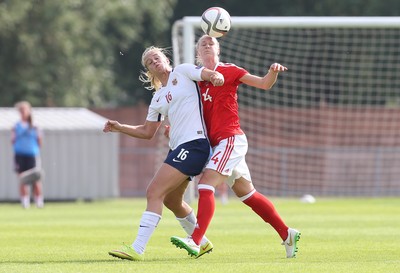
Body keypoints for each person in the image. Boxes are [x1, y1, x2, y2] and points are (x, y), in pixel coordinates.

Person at [171, 35, 301, 258]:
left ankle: (195, 240)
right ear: (198, 53)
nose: (207, 44)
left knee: (205, 185)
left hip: (230, 139)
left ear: (219, 49)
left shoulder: (230, 70)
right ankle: (287, 233)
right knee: (247, 195)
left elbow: (263, 83)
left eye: (212, 42)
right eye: (203, 43)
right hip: (215, 144)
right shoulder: (195, 79)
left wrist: (273, 72)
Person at [104, 46, 224, 261]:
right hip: (179, 147)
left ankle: (138, 248)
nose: (154, 62)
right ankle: (202, 242)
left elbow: (204, 73)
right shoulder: (158, 98)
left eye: (156, 57)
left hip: (195, 144)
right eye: (150, 62)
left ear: (166, 59)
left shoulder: (183, 71)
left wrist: (213, 75)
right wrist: (119, 126)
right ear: (149, 71)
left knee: (153, 192)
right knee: (171, 200)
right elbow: (147, 131)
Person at [12, 101, 44, 209]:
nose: (22, 113)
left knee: (35, 179)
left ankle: (39, 201)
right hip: (20, 155)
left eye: (24, 110)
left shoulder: (35, 126)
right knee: (22, 179)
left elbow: (39, 141)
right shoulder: (16, 126)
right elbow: (12, 140)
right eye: (20, 111)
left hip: (32, 155)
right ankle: (25, 202)